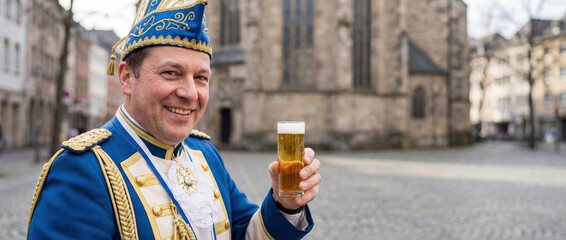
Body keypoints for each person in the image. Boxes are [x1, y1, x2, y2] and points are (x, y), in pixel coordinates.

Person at [27, 1, 321, 239]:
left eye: (201, 78)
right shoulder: (81, 169)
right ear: (127, 78)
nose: (190, 93)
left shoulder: (205, 153)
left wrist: (284, 204)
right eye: (171, 73)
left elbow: (243, 233)